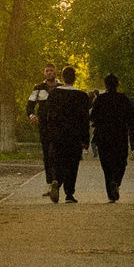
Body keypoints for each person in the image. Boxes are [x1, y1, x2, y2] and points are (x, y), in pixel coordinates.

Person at [40, 66, 93, 202]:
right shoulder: (82, 96)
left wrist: (48, 133)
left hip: (57, 135)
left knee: (57, 160)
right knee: (72, 164)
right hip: (74, 136)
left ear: (62, 78)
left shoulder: (54, 94)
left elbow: (47, 115)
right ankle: (69, 193)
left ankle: (56, 180)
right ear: (75, 78)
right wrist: (85, 139)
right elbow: (84, 119)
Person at [89, 75, 134, 202]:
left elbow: (92, 116)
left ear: (106, 85)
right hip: (120, 135)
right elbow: (132, 118)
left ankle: (111, 191)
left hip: (103, 136)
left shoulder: (100, 99)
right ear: (118, 84)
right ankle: (116, 182)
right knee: (121, 162)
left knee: (106, 164)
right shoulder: (124, 99)